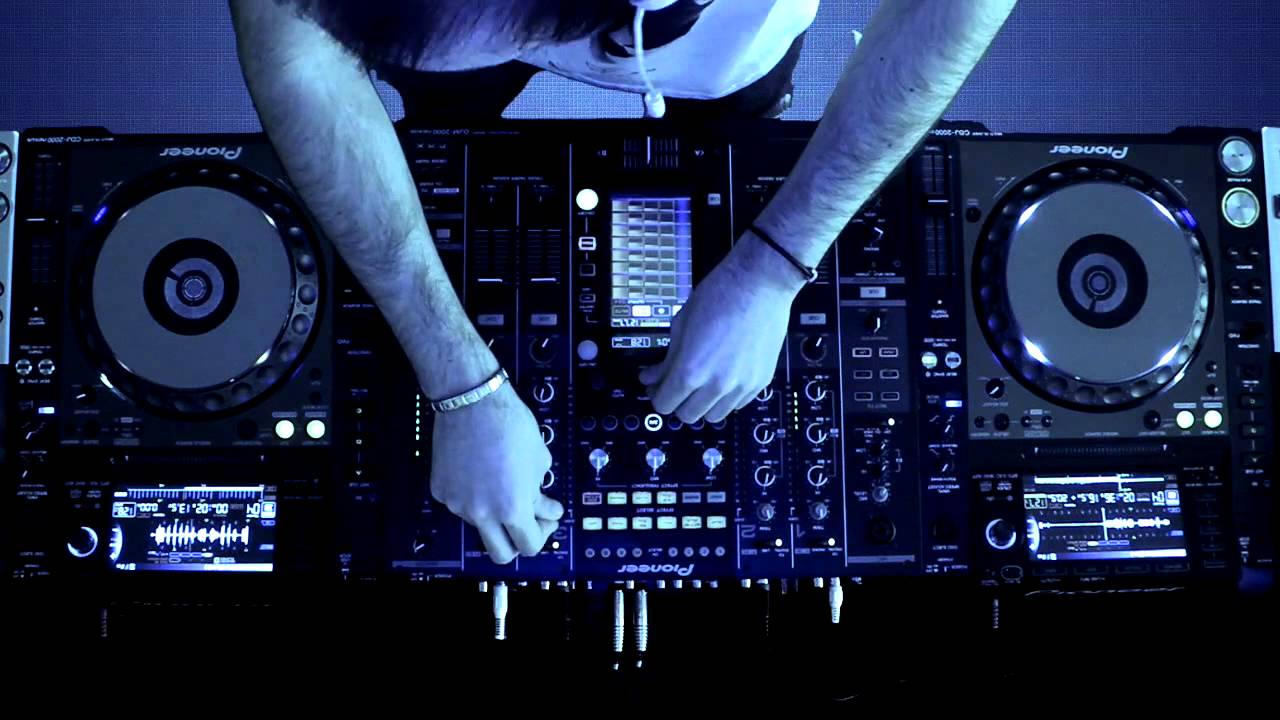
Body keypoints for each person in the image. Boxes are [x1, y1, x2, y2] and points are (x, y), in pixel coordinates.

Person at [228, 0, 1019, 564]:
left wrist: (776, 263)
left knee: (735, 121)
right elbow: (298, 59)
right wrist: (457, 381)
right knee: (442, 128)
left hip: (718, 50)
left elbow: (949, 14)